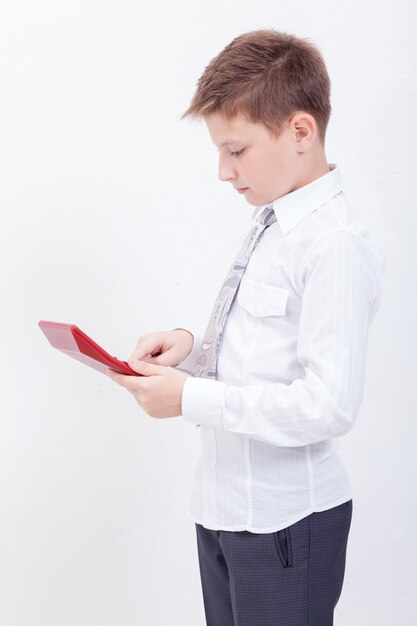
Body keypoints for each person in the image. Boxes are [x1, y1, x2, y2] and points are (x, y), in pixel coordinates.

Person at [107, 28, 385, 626]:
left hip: (286, 523)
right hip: (226, 508)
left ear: (300, 132)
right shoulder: (275, 219)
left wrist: (191, 399)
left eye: (236, 150)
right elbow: (264, 350)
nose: (222, 172)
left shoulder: (332, 244)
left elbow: (329, 406)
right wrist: (190, 351)